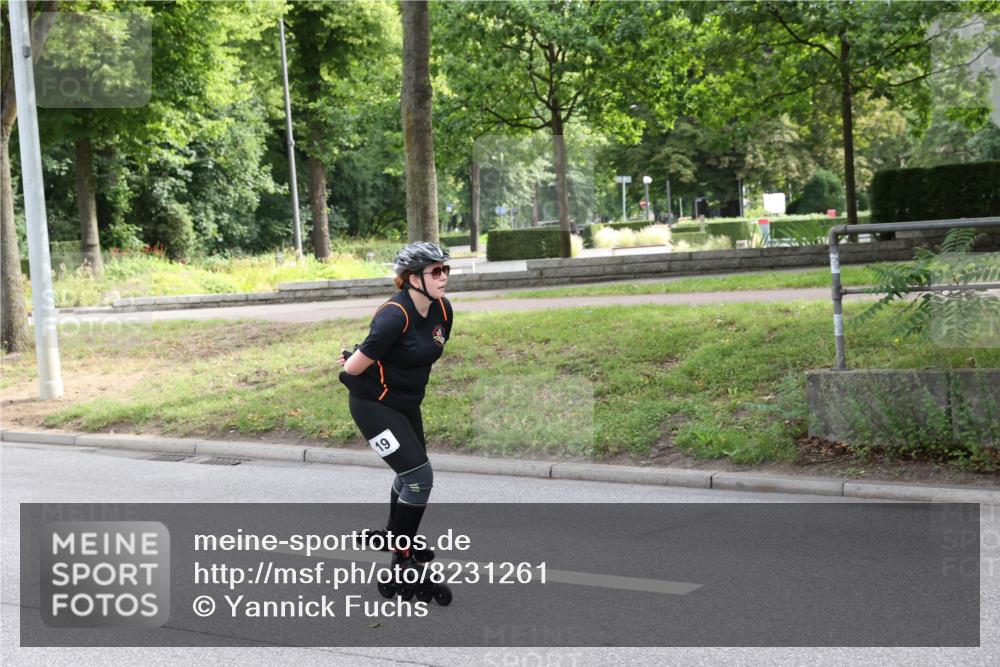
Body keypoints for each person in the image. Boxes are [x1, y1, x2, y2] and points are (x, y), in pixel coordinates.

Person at [337, 241, 453, 599]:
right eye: (436, 271)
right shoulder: (393, 316)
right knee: (420, 477)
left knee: (410, 474)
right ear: (411, 278)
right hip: (373, 405)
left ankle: (393, 532)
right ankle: (403, 559)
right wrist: (352, 358)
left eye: (445, 269)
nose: (444, 277)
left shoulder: (443, 311)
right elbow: (352, 369)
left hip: (405, 404)